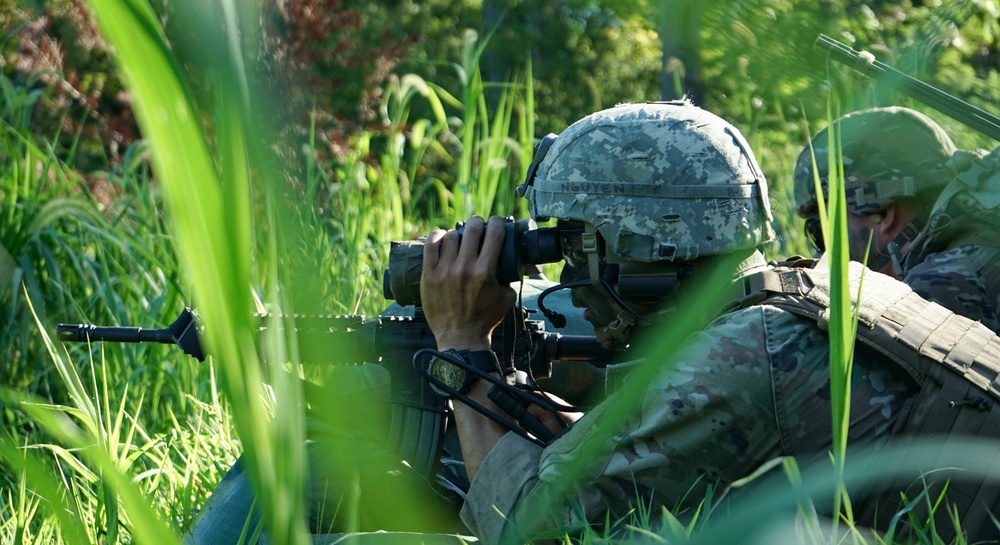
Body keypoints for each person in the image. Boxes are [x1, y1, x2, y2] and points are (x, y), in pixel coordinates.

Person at [421, 101, 1000, 544]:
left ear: (640, 246)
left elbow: (526, 528)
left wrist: (463, 345)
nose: (571, 272)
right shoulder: (809, 293)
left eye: (578, 247)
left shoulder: (744, 355)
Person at [793, 106, 1000, 332]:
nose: (823, 255)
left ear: (881, 214)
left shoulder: (937, 284)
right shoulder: (977, 236)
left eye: (821, 231)